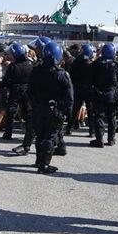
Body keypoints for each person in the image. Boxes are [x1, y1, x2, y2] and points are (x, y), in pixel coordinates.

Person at [27, 41, 73, 174]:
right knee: (50, 137)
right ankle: (44, 165)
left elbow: (30, 91)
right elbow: (69, 96)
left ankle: (38, 161)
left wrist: (35, 105)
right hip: (55, 109)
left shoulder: (36, 71)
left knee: (40, 136)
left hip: (39, 107)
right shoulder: (62, 74)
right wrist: (67, 112)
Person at [89, 43, 118, 148]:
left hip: (99, 93)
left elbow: (90, 79)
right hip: (112, 94)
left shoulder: (96, 64)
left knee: (99, 116)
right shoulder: (115, 64)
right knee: (112, 117)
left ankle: (99, 139)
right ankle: (111, 139)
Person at [1, 43, 33, 142]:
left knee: (11, 112)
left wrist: (3, 85)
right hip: (27, 90)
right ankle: (30, 133)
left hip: (15, 90)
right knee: (28, 112)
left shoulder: (13, 66)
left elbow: (6, 81)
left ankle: (8, 133)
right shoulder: (30, 65)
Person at [66, 44, 94, 136]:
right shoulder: (90, 64)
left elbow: (71, 75)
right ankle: (92, 131)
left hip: (77, 88)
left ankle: (69, 128)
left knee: (74, 110)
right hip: (88, 89)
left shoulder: (75, 62)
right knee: (90, 110)